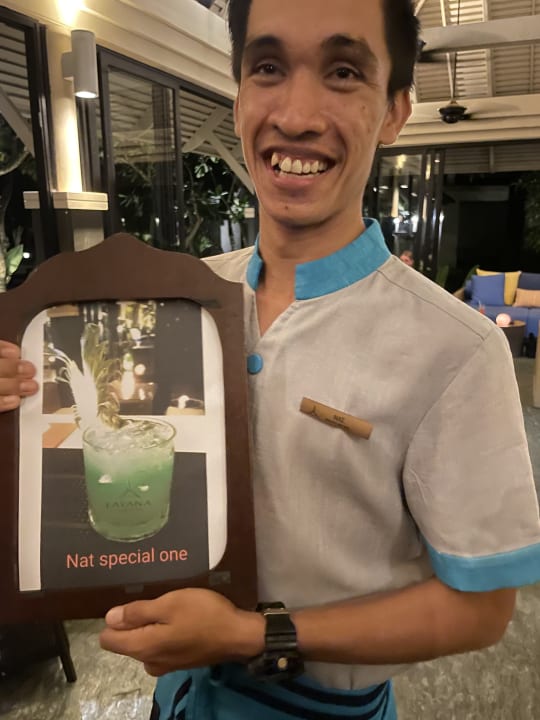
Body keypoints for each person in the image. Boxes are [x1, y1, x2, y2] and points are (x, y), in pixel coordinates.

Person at [1, 0, 540, 718]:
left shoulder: (457, 349)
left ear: (394, 110)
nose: (296, 114)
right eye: (267, 68)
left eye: (343, 72)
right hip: (178, 700)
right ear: (239, 98)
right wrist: (18, 403)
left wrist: (254, 635)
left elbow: (481, 610)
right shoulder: (182, 303)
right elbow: (97, 437)